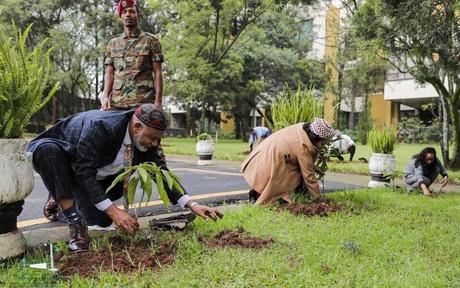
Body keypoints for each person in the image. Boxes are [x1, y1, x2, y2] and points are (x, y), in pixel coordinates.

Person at [27, 104, 223, 252]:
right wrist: (114, 211)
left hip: (96, 175)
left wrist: (192, 204)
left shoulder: (147, 142)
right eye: (153, 137)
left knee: (100, 221)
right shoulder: (102, 127)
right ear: (136, 127)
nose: (155, 143)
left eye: (159, 139)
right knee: (48, 151)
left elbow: (161, 173)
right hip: (67, 161)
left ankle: (62, 196)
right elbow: (83, 171)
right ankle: (73, 218)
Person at [241, 118, 337, 205]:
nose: (323, 146)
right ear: (316, 139)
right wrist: (318, 200)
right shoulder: (303, 148)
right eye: (323, 143)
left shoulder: (301, 129)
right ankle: (264, 196)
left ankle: (261, 194)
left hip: (263, 155)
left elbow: (304, 162)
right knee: (286, 176)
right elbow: (309, 177)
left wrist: (315, 168)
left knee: (286, 172)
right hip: (267, 161)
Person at [101, 0, 164, 111]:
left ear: (138, 15)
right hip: (117, 104)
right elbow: (109, 73)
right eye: (124, 12)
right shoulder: (113, 43)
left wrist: (158, 101)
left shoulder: (150, 41)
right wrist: (105, 97)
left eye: (131, 11)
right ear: (121, 16)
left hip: (143, 103)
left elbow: (157, 72)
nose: (128, 15)